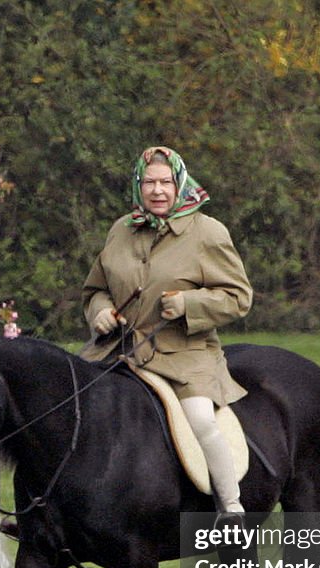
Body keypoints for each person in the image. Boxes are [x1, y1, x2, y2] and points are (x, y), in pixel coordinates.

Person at [80, 145, 253, 514]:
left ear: (180, 184)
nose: (157, 191)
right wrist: (101, 312)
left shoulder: (208, 232)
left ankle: (232, 508)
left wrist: (189, 305)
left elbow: (239, 297)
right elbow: (95, 289)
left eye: (165, 182)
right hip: (118, 352)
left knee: (202, 420)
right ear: (137, 186)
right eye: (149, 183)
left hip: (186, 356)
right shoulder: (121, 230)